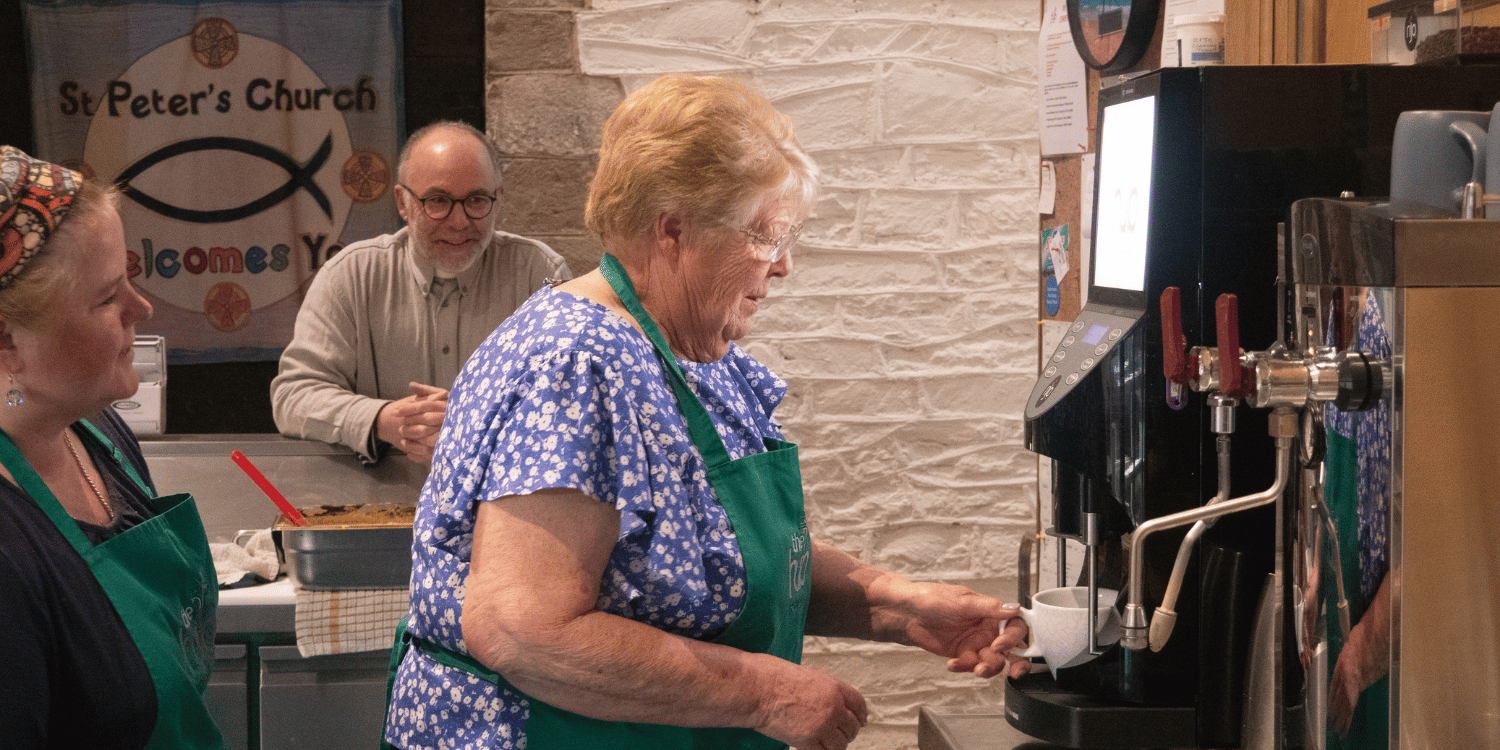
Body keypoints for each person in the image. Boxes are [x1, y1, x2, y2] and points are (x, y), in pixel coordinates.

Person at [382, 75, 1031, 750]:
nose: (782, 267)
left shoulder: (689, 357)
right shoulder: (575, 363)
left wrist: (897, 604)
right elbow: (523, 629)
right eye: (769, 236)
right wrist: (768, 692)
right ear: (673, 231)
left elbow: (714, 558)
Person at [0, 146, 221, 748]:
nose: (140, 309)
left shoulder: (101, 433)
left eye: (130, 278)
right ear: (8, 342)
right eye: (106, 298)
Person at [271, 121, 573, 465]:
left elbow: (575, 404)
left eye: (476, 200)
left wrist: (475, 423)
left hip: (505, 506)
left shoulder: (540, 274)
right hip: (379, 508)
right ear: (402, 202)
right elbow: (292, 397)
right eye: (438, 201)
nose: (459, 221)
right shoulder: (350, 275)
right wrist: (382, 420)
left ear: (498, 199)